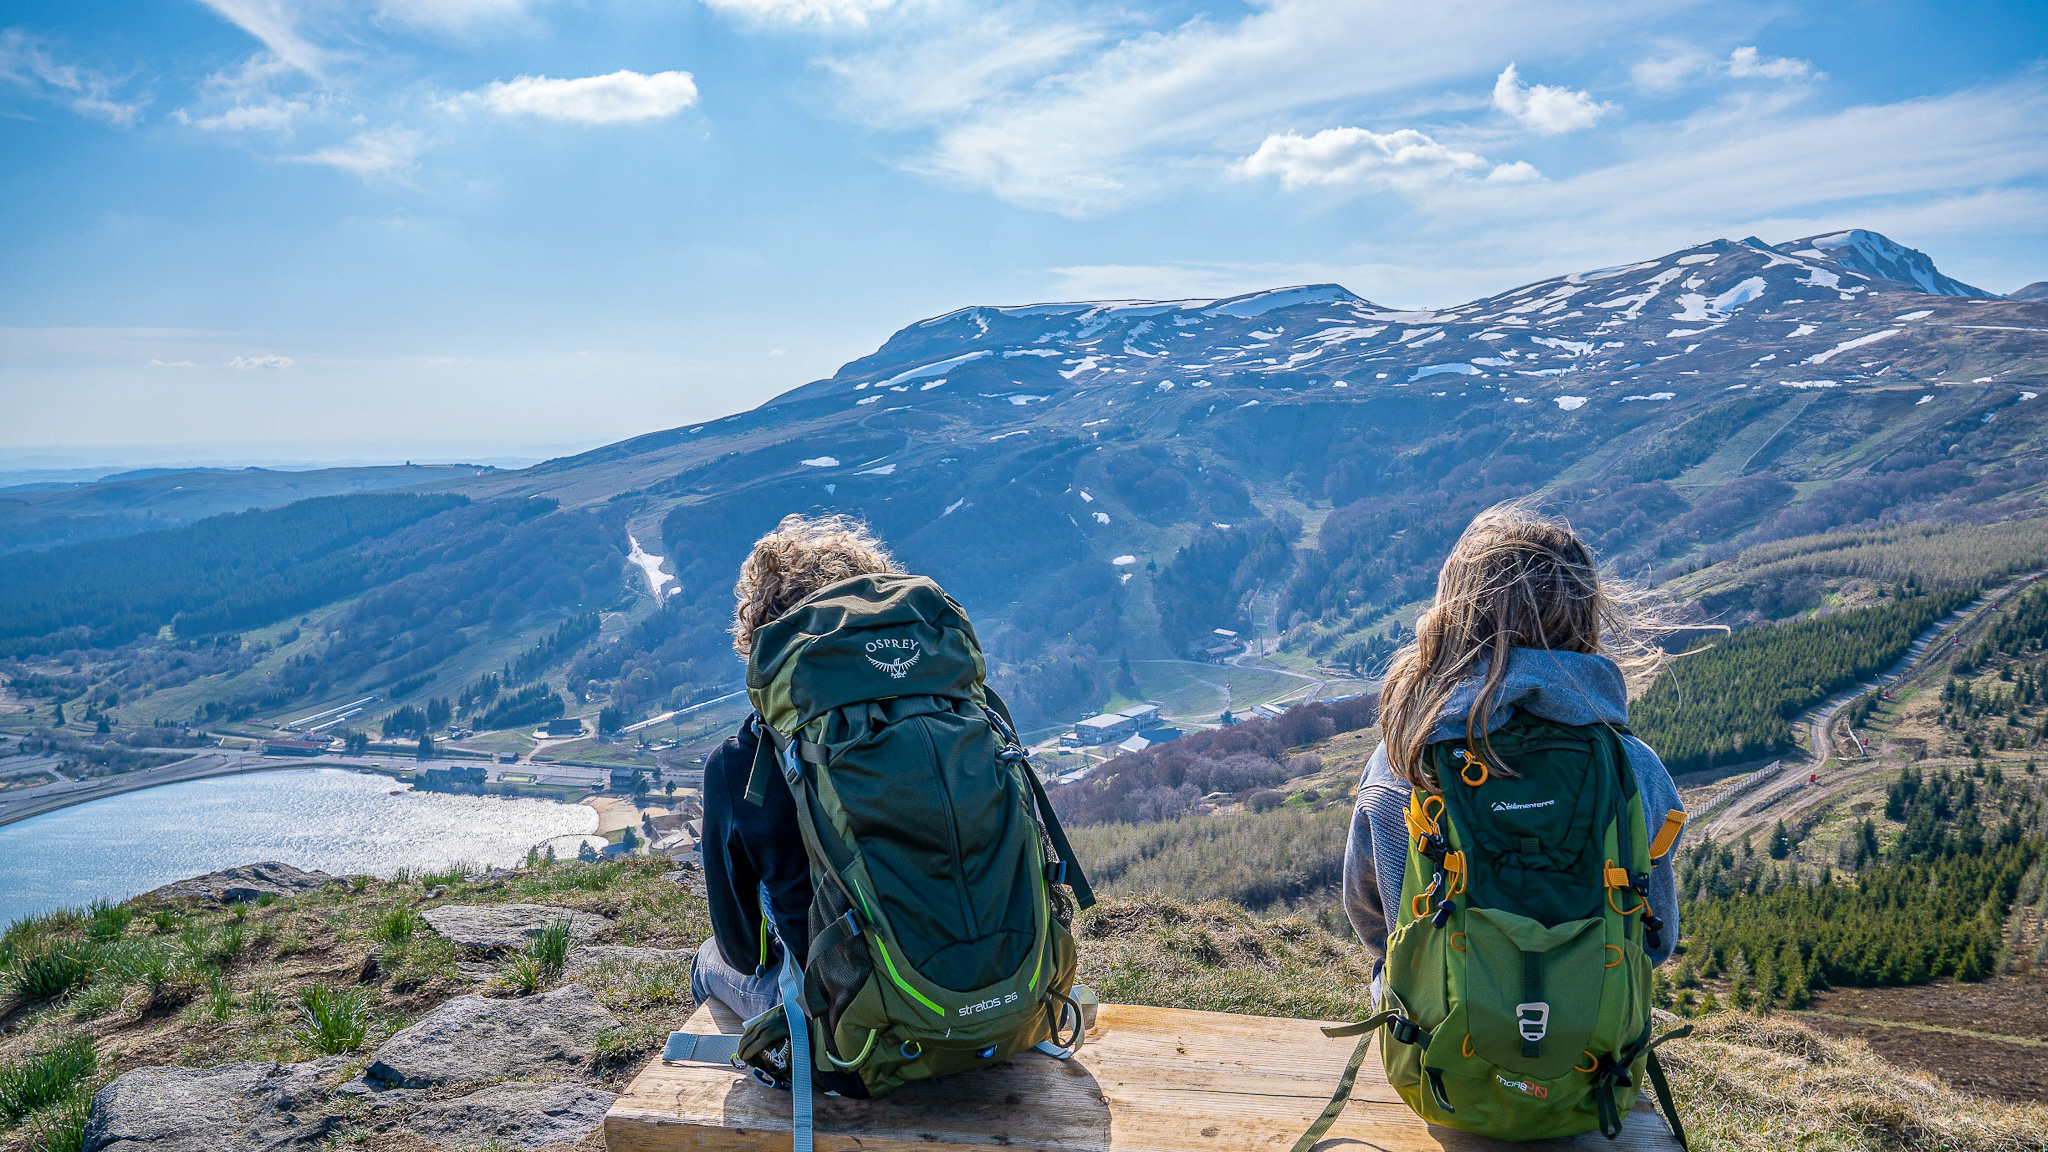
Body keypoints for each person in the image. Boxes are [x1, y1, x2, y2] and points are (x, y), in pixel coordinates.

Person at [1342, 501, 1687, 983]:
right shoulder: (1633, 764)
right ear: (1585, 615)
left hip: (1435, 1040)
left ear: (1456, 616)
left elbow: (1370, 914)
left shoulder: (1407, 755)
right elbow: (1658, 937)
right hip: (1595, 1045)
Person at [690, 514, 898, 1019]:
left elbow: (746, 952)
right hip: (992, 989)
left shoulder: (742, 765)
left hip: (849, 1023)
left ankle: (780, 1066)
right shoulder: (949, 717)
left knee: (707, 962)